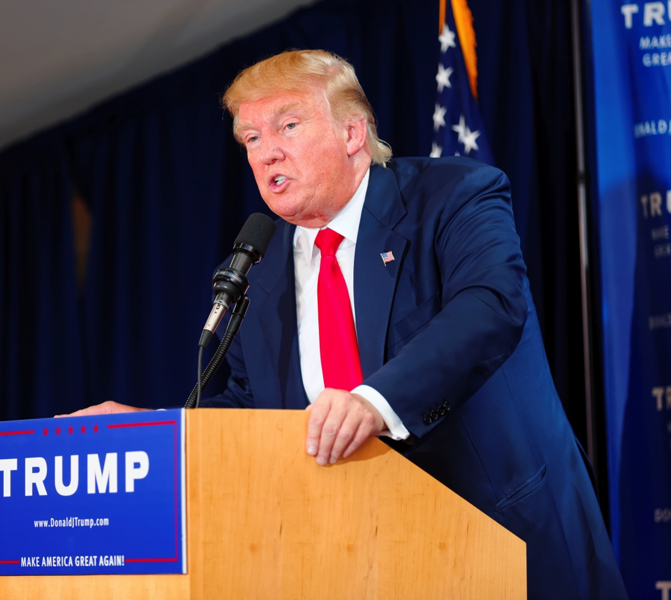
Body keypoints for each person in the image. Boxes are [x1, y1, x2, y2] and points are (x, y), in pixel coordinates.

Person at [65, 49, 628, 599]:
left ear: (353, 132)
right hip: (363, 554)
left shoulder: (454, 195)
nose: (266, 155)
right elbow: (251, 408)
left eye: (287, 125)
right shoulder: (257, 276)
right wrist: (159, 433)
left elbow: (488, 308)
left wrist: (374, 401)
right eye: (252, 139)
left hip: (507, 529)